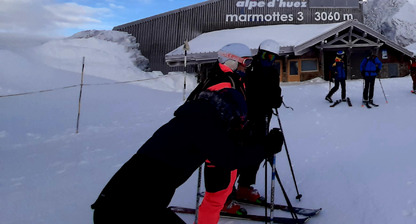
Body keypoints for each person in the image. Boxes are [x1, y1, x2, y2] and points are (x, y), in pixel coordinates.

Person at [91, 85, 285, 224]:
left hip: (130, 205)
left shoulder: (198, 117)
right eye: (237, 123)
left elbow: (226, 150)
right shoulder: (203, 124)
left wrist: (256, 142)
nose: (235, 128)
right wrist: (267, 147)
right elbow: (229, 158)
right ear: (229, 114)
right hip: (125, 211)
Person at [193, 43, 257, 223]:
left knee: (223, 192)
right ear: (231, 61)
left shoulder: (231, 78)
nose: (247, 66)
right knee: (214, 199)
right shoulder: (222, 83)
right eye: (246, 61)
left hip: (229, 146)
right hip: (220, 148)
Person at [231, 39, 283, 205]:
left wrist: (276, 101)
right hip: (246, 118)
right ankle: (226, 191)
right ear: (259, 53)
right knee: (241, 152)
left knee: (258, 151)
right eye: (265, 55)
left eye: (272, 57)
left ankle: (245, 187)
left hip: (264, 118)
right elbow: (243, 91)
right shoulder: (249, 69)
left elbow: (275, 92)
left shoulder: (274, 72)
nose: (268, 60)